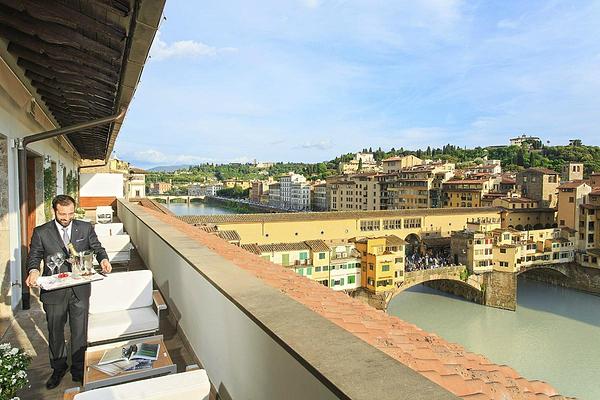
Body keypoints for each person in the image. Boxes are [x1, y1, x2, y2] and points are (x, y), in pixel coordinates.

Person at [25, 195, 112, 389]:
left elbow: (97, 247)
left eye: (70, 213)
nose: (67, 217)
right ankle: (58, 368)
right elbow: (34, 256)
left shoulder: (85, 227)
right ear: (54, 211)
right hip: (54, 292)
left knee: (79, 331)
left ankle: (79, 369)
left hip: (80, 289)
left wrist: (104, 259)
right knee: (55, 332)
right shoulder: (41, 232)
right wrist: (33, 270)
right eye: (62, 214)